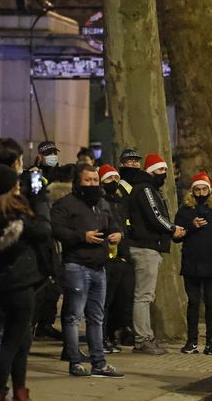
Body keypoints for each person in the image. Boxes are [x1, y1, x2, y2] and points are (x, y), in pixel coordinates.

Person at [0, 163, 52, 401]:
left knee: (21, 341)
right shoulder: (9, 211)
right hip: (16, 284)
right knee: (10, 342)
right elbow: (43, 229)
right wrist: (40, 199)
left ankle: (17, 393)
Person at [51, 164, 124, 378]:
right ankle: (75, 361)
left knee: (96, 318)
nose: (93, 184)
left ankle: (99, 363)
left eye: (95, 180)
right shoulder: (64, 205)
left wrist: (117, 234)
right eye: (88, 180)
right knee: (74, 317)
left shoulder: (102, 203)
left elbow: (114, 225)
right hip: (76, 266)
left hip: (98, 267)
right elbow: (56, 229)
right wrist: (82, 236)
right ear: (77, 182)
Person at [126, 153, 186, 355]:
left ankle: (145, 336)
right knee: (143, 296)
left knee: (144, 295)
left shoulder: (146, 188)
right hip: (146, 247)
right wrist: (172, 228)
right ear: (151, 171)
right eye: (161, 170)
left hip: (147, 246)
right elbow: (155, 216)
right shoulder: (146, 189)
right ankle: (142, 339)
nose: (164, 174)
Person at [174, 173, 212, 356]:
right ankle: (191, 341)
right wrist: (192, 226)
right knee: (193, 303)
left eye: (204, 189)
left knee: (211, 304)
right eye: (197, 190)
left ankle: (211, 342)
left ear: (210, 190)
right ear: (192, 191)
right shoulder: (185, 211)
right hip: (192, 263)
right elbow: (176, 235)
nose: (200, 193)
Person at [99, 164, 134, 353]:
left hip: (119, 258)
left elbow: (125, 230)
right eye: (108, 179)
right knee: (104, 301)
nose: (113, 182)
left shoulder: (120, 203)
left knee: (119, 300)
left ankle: (110, 335)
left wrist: (123, 255)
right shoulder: (100, 203)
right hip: (105, 258)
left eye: (115, 179)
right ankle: (102, 337)